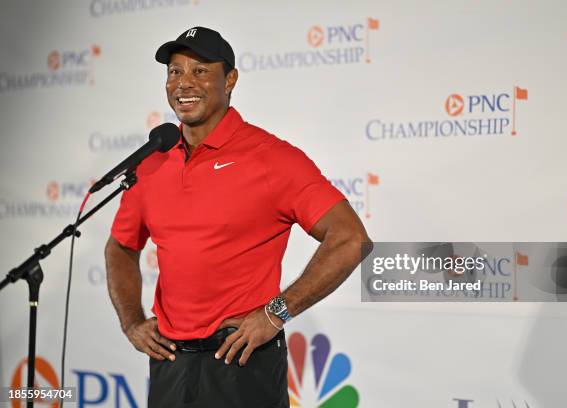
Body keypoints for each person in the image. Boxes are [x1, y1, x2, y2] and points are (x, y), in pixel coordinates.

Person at [104, 26, 371, 408]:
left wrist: (275, 313)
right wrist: (132, 322)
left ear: (230, 80)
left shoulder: (271, 158)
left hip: (242, 361)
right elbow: (120, 247)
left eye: (199, 70)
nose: (183, 83)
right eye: (175, 71)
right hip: (170, 363)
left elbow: (350, 239)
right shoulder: (152, 161)